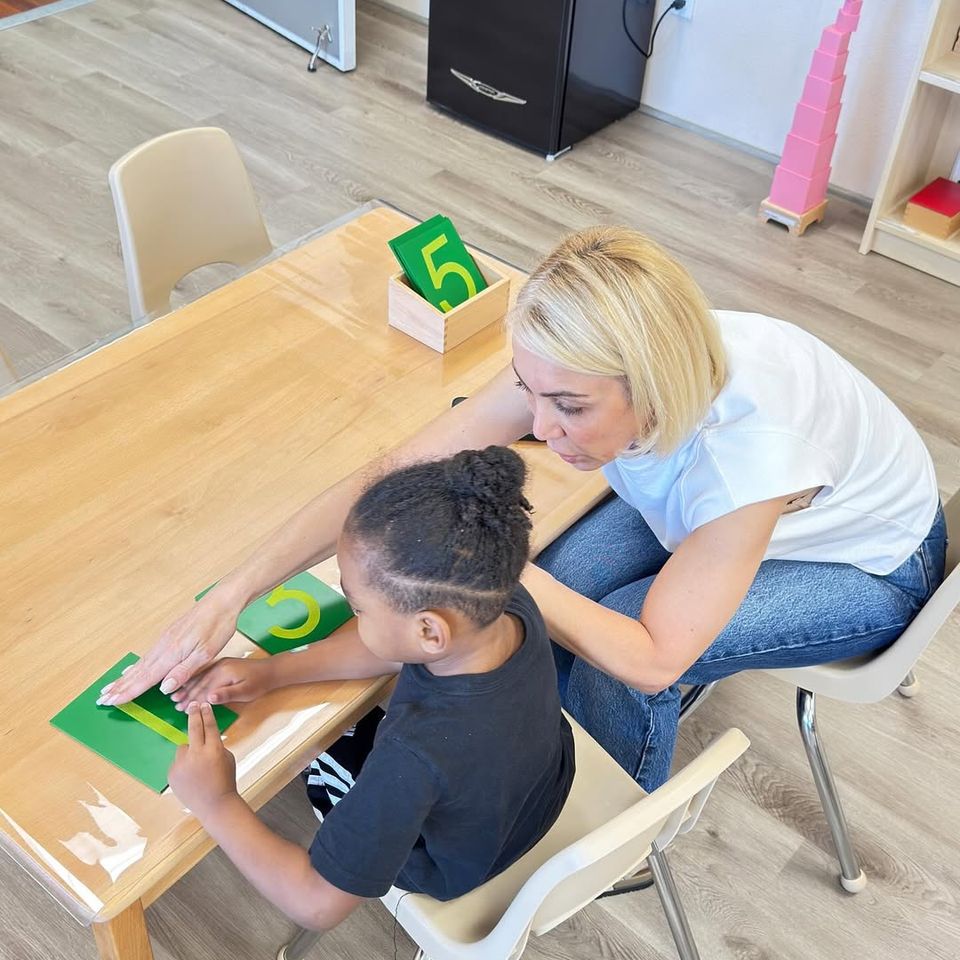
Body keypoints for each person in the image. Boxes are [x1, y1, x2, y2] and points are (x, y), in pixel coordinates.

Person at [102, 225, 947, 793]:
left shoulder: (747, 455)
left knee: (611, 649)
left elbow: (654, 659)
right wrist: (231, 592)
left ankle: (604, 818)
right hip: (723, 517)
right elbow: (393, 473)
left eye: (569, 409)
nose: (538, 429)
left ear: (650, 387)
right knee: (558, 587)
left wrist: (503, 574)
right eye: (527, 392)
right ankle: (528, 746)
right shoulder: (598, 360)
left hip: (868, 566)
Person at [166, 446, 574, 928]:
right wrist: (271, 672)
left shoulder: (413, 756)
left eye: (358, 608)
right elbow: (391, 650)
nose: (353, 615)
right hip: (535, 792)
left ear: (429, 631)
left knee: (306, 748)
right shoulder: (496, 602)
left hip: (452, 863)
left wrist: (216, 801)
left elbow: (316, 903)